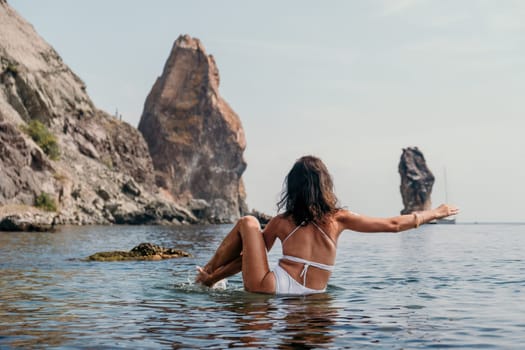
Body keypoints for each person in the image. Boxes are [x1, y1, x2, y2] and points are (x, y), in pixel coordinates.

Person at [195, 155, 459, 295]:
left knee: (248, 222)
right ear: (325, 185)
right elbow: (392, 224)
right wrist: (433, 213)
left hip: (269, 287)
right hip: (313, 296)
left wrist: (214, 277)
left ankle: (205, 272)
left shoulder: (281, 222)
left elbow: (247, 260)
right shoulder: (338, 218)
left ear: (293, 187)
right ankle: (208, 276)